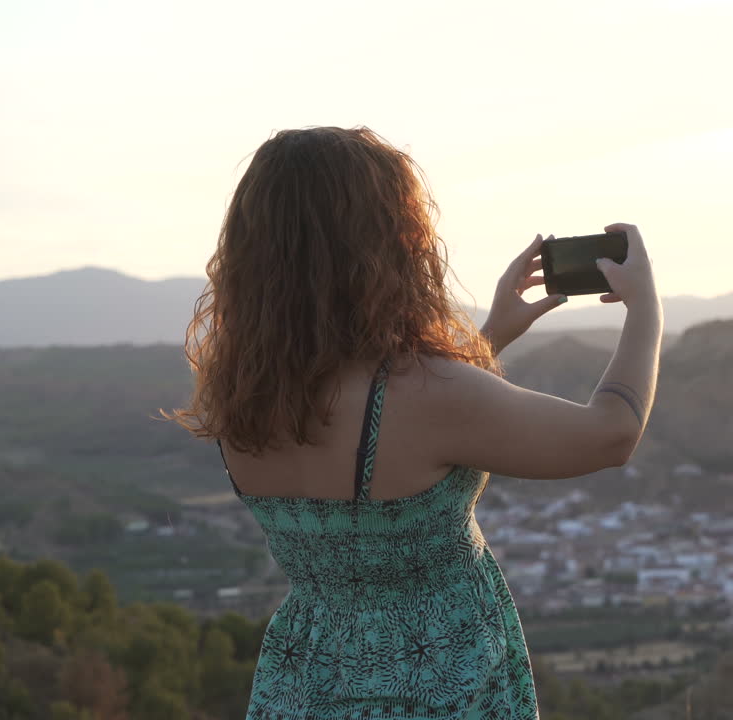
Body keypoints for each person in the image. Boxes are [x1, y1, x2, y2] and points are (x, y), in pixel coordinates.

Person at [163, 125, 662, 720]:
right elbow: (611, 433)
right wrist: (646, 309)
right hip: (438, 688)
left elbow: (394, 424)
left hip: (306, 682)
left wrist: (493, 334)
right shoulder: (426, 395)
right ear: (387, 245)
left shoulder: (245, 398)